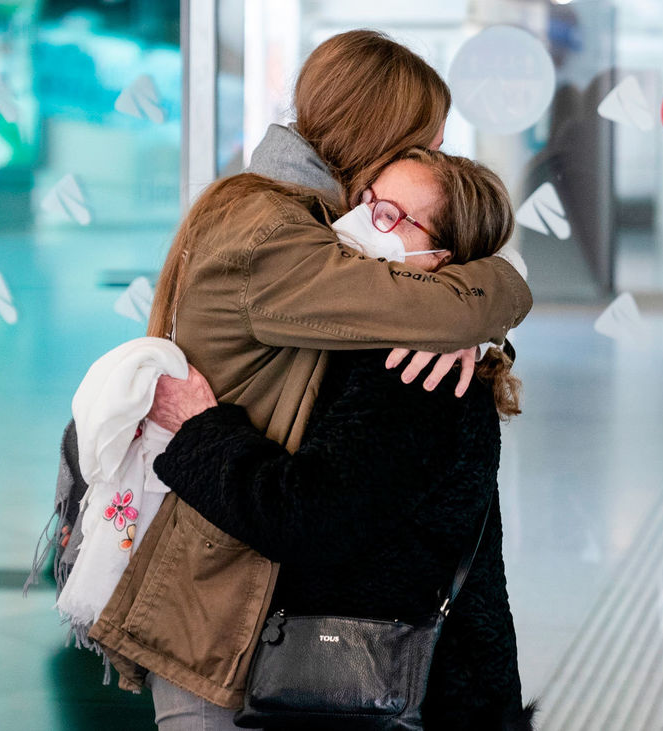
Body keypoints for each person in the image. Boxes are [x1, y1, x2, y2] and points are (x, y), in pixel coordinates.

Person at [80, 30, 533, 727]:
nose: (435, 155)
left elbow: (430, 305)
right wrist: (482, 296)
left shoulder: (300, 219)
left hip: (247, 577)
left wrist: (467, 316)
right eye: (425, 142)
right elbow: (435, 304)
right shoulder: (277, 232)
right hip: (220, 588)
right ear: (379, 135)